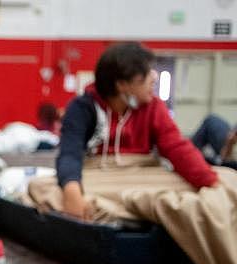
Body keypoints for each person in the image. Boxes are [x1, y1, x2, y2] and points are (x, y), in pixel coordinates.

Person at [56, 41, 219, 220]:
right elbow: (69, 153)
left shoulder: (153, 107)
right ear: (122, 84)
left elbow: (176, 147)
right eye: (146, 74)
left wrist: (210, 181)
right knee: (43, 188)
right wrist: (72, 193)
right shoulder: (83, 108)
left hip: (142, 173)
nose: (153, 78)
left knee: (227, 179)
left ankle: (119, 208)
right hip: (99, 174)